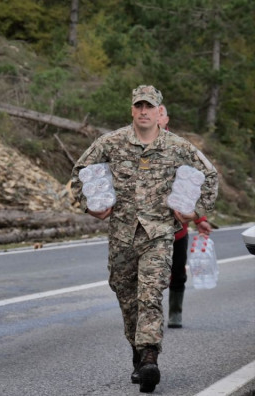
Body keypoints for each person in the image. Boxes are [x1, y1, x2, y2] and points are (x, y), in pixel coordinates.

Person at [70, 85, 218, 393]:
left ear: (158, 110)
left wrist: (193, 211)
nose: (143, 111)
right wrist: (92, 206)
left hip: (159, 235)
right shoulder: (111, 143)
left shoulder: (178, 147)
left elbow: (210, 176)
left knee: (150, 294)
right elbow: (80, 171)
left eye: (149, 106)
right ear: (132, 110)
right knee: (126, 296)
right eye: (138, 106)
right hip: (122, 235)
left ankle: (150, 357)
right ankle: (139, 354)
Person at [158, 105, 213, 329]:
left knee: (177, 271)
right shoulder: (133, 144)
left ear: (166, 118)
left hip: (176, 226)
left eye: (160, 113)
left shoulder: (180, 147)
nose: (156, 117)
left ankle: (175, 312)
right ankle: (145, 315)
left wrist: (199, 218)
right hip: (144, 227)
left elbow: (195, 182)